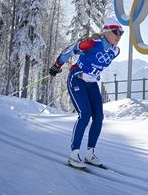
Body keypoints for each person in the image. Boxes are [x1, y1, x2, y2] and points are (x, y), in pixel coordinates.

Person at [49, 17, 124, 168]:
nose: (119, 35)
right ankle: (74, 154)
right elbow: (70, 51)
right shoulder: (91, 43)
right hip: (77, 79)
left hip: (92, 83)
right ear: (107, 32)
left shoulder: (116, 51)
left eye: (121, 33)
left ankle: (90, 153)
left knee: (99, 117)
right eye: (116, 32)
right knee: (85, 114)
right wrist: (57, 65)